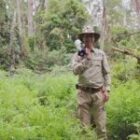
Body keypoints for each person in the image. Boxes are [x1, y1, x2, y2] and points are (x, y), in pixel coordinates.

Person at [71, 26, 111, 140]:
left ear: (94, 38)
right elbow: (75, 71)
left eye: (90, 36)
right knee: (84, 128)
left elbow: (106, 73)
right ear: (83, 39)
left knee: (101, 127)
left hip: (98, 94)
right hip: (83, 94)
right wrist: (85, 59)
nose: (88, 38)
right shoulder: (78, 55)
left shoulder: (101, 54)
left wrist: (107, 89)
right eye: (85, 36)